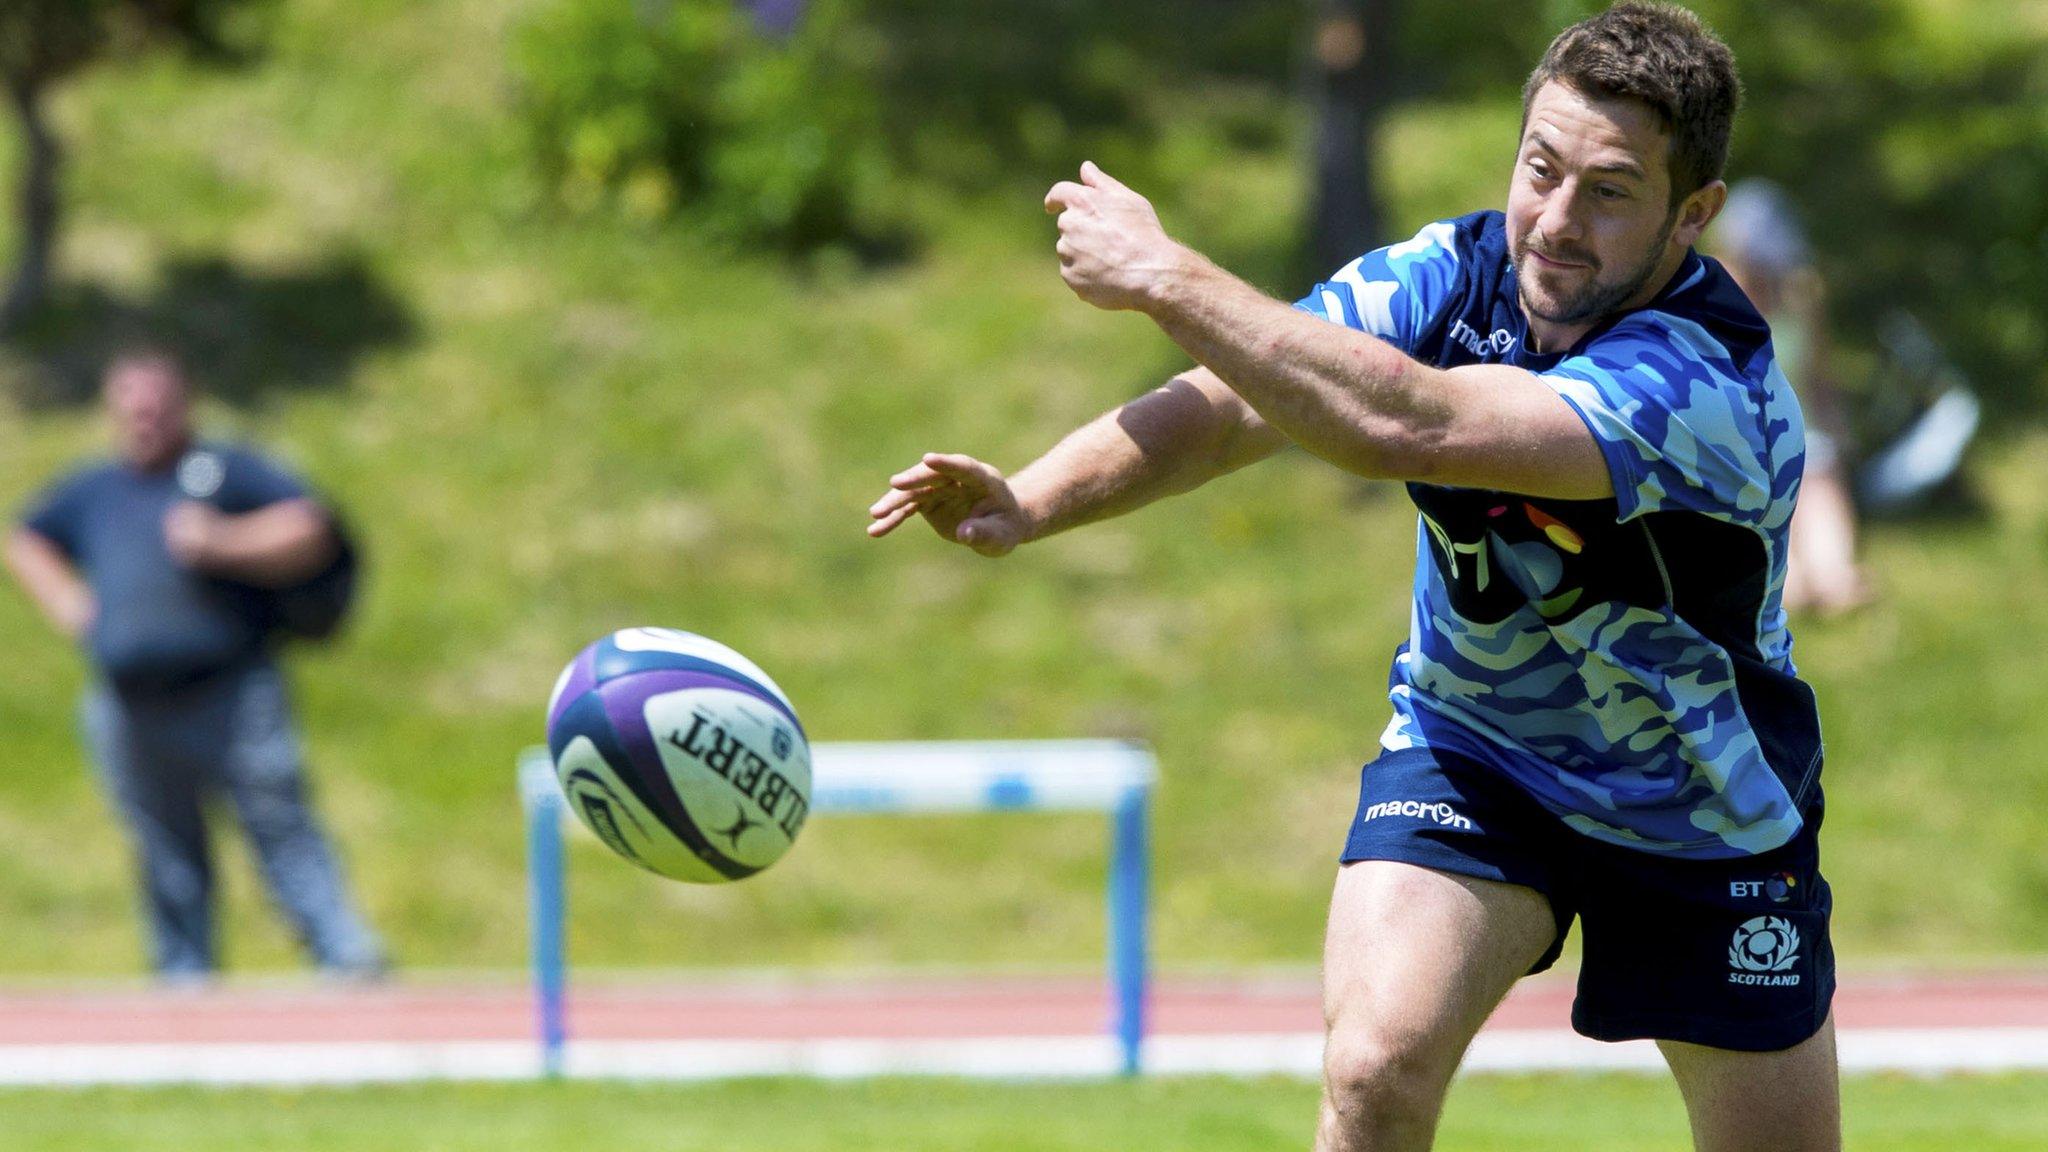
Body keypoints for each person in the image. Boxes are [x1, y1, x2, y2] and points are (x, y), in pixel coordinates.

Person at [870, 4, 1837, 1150]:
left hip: (1701, 807)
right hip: (1478, 752)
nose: (1554, 222)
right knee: (1375, 1064)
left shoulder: (1704, 383)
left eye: (1609, 191)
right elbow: (1237, 404)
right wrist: (1030, 500)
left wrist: (1164, 275)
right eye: (1540, 170)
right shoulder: (1452, 274)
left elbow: (1408, 425)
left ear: (1692, 215)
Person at [5, 350, 385, 982]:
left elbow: (311, 526)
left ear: (185, 404)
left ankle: (345, 956)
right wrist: (74, 608)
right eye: (132, 407)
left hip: (229, 690)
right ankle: (183, 984)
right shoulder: (95, 486)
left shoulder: (222, 470)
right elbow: (26, 538)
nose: (144, 419)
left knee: (280, 826)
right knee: (164, 853)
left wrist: (224, 542)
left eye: (157, 405)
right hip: (129, 701)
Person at [1714, 179, 1871, 615]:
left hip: (1799, 430)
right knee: (1774, 497)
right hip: (1738, 435)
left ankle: (1834, 572)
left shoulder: (1802, 296)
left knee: (1819, 480)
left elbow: (1819, 376)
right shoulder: (1712, 296)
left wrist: (1839, 430)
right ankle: (1793, 578)